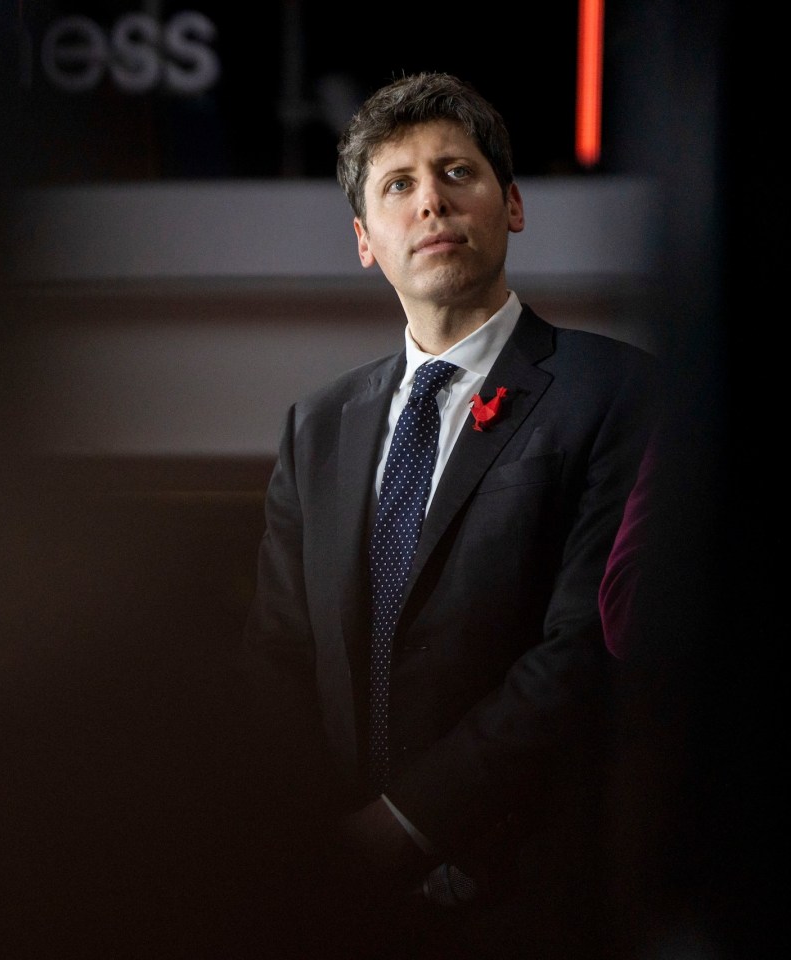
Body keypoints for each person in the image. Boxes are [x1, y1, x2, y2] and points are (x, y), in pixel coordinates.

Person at [237, 72, 660, 959]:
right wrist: (302, 840)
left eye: (457, 174)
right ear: (364, 240)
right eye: (398, 185)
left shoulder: (614, 393)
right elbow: (278, 658)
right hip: (340, 907)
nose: (430, 201)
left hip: (536, 896)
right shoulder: (315, 427)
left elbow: (582, 653)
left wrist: (399, 827)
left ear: (511, 206)